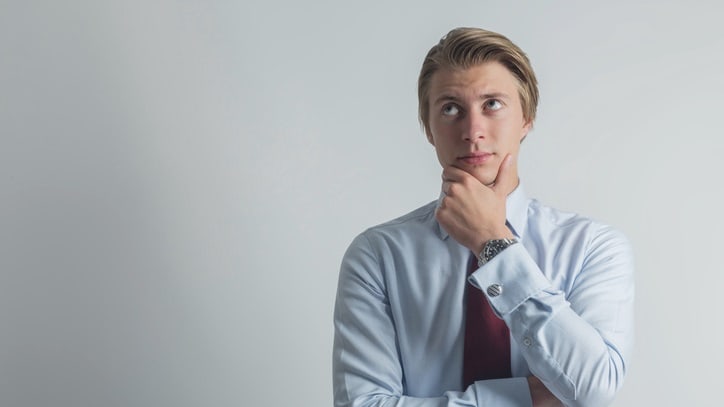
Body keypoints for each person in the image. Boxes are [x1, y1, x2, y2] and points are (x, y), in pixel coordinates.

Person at [332, 27, 634, 407]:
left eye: (492, 104)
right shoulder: (378, 255)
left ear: (527, 118)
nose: (472, 131)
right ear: (428, 128)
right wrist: (523, 398)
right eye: (450, 108)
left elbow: (594, 390)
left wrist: (493, 244)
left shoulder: (593, 247)